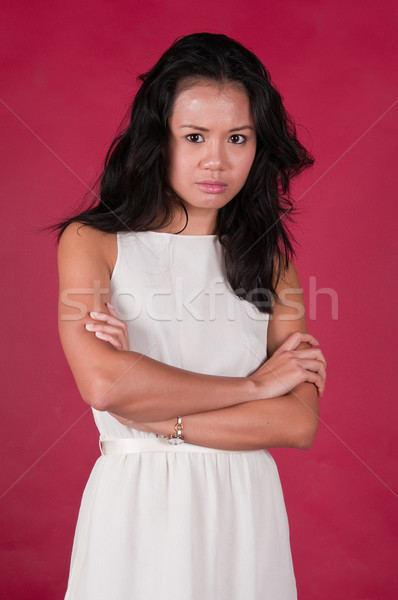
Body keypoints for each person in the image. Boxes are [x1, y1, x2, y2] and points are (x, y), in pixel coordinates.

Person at [56, 32, 326, 599]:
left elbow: (297, 424)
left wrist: (154, 416)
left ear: (259, 146)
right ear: (159, 139)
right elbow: (105, 386)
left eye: (238, 138)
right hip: (137, 506)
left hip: (245, 509)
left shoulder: (271, 266)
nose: (217, 161)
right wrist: (255, 385)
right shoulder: (93, 243)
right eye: (195, 136)